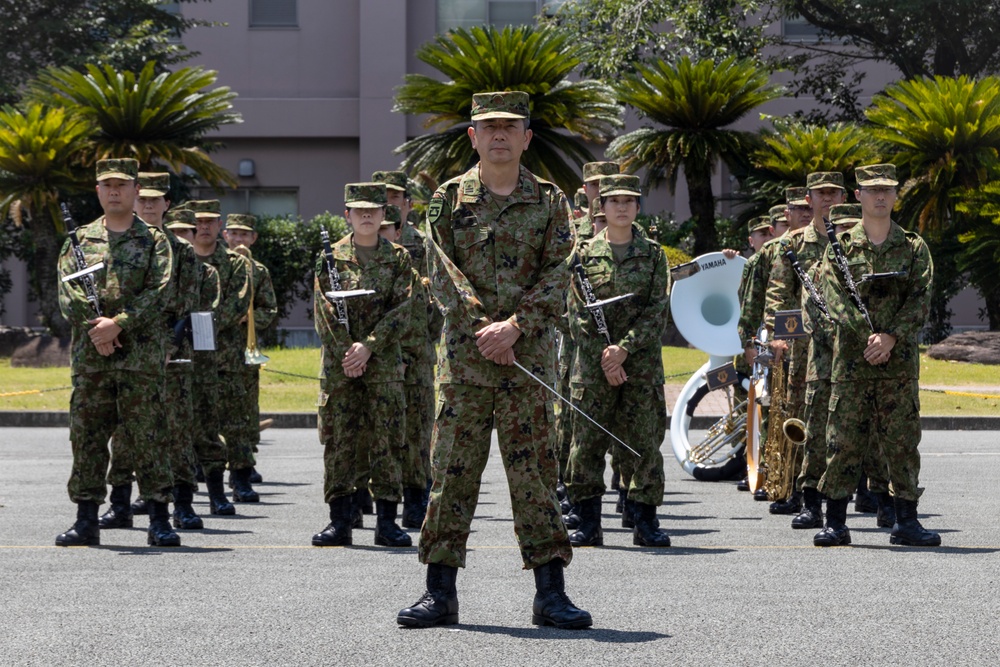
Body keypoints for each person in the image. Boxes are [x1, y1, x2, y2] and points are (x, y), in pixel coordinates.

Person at [397, 91, 590, 630]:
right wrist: (485, 327)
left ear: (527, 138)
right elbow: (439, 271)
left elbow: (563, 268)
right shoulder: (447, 200)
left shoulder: (551, 202)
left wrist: (516, 327)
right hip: (466, 363)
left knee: (535, 477)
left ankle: (550, 594)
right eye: (489, 126)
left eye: (510, 126)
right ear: (473, 137)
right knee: (451, 476)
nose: (499, 134)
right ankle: (440, 593)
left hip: (527, 364)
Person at [815, 163, 940, 547]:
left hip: (898, 366)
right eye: (872, 190)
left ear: (896, 194)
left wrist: (891, 338)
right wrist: (868, 336)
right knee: (843, 442)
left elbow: (921, 298)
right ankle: (835, 522)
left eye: (887, 189)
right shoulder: (840, 246)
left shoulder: (915, 247)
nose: (880, 196)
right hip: (853, 364)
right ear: (858, 196)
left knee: (902, 443)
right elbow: (833, 298)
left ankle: (906, 521)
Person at [55, 158, 179, 547]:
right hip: (92, 358)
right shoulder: (78, 241)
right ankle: (86, 518)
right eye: (107, 185)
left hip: (140, 358)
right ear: (97, 191)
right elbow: (66, 291)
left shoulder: (155, 241)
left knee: (148, 436)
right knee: (87, 436)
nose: (114, 191)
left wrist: (119, 323)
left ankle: (159, 519)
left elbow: (162, 291)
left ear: (135, 191)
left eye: (122, 185)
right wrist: (99, 330)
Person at [563, 174, 672, 548]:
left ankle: (645, 521)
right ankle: (588, 522)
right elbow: (576, 314)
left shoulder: (655, 254)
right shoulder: (581, 255)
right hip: (594, 369)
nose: (622, 207)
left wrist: (623, 349)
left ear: (638, 207)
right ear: (601, 208)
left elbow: (657, 309)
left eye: (629, 201)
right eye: (614, 202)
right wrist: (605, 358)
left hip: (640, 367)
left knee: (642, 443)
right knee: (587, 445)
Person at [311, 183, 414, 548]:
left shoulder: (399, 258)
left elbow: (404, 310)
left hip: (383, 363)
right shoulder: (330, 258)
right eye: (359, 210)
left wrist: (368, 347)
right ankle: (340, 521)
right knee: (339, 440)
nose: (367, 216)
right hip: (341, 366)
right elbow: (323, 312)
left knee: (387, 439)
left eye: (373, 210)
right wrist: (349, 353)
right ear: (347, 216)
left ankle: (387, 522)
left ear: (384, 214)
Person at [373, 172, 438, 527]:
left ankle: (416, 501)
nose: (390, 202)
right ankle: (377, 501)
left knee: (417, 430)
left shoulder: (423, 245)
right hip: (380, 353)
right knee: (382, 430)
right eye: (384, 197)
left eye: (396, 196)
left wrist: (424, 337)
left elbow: (437, 300)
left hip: (416, 350)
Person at [188, 199, 254, 510]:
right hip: (187, 359)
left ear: (219, 226)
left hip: (226, 358)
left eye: (210, 221)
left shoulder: (235, 264)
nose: (204, 227)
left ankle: (239, 479)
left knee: (234, 421)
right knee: (192, 424)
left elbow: (238, 303)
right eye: (198, 222)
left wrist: (197, 323)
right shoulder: (179, 261)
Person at [222, 213, 278, 484]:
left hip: (245, 349)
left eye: (245, 234)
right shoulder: (216, 266)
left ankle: (243, 462)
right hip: (217, 349)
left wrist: (252, 317)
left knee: (245, 409)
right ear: (225, 236)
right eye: (234, 233)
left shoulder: (260, 271)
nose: (239, 239)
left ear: (253, 239)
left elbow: (270, 308)